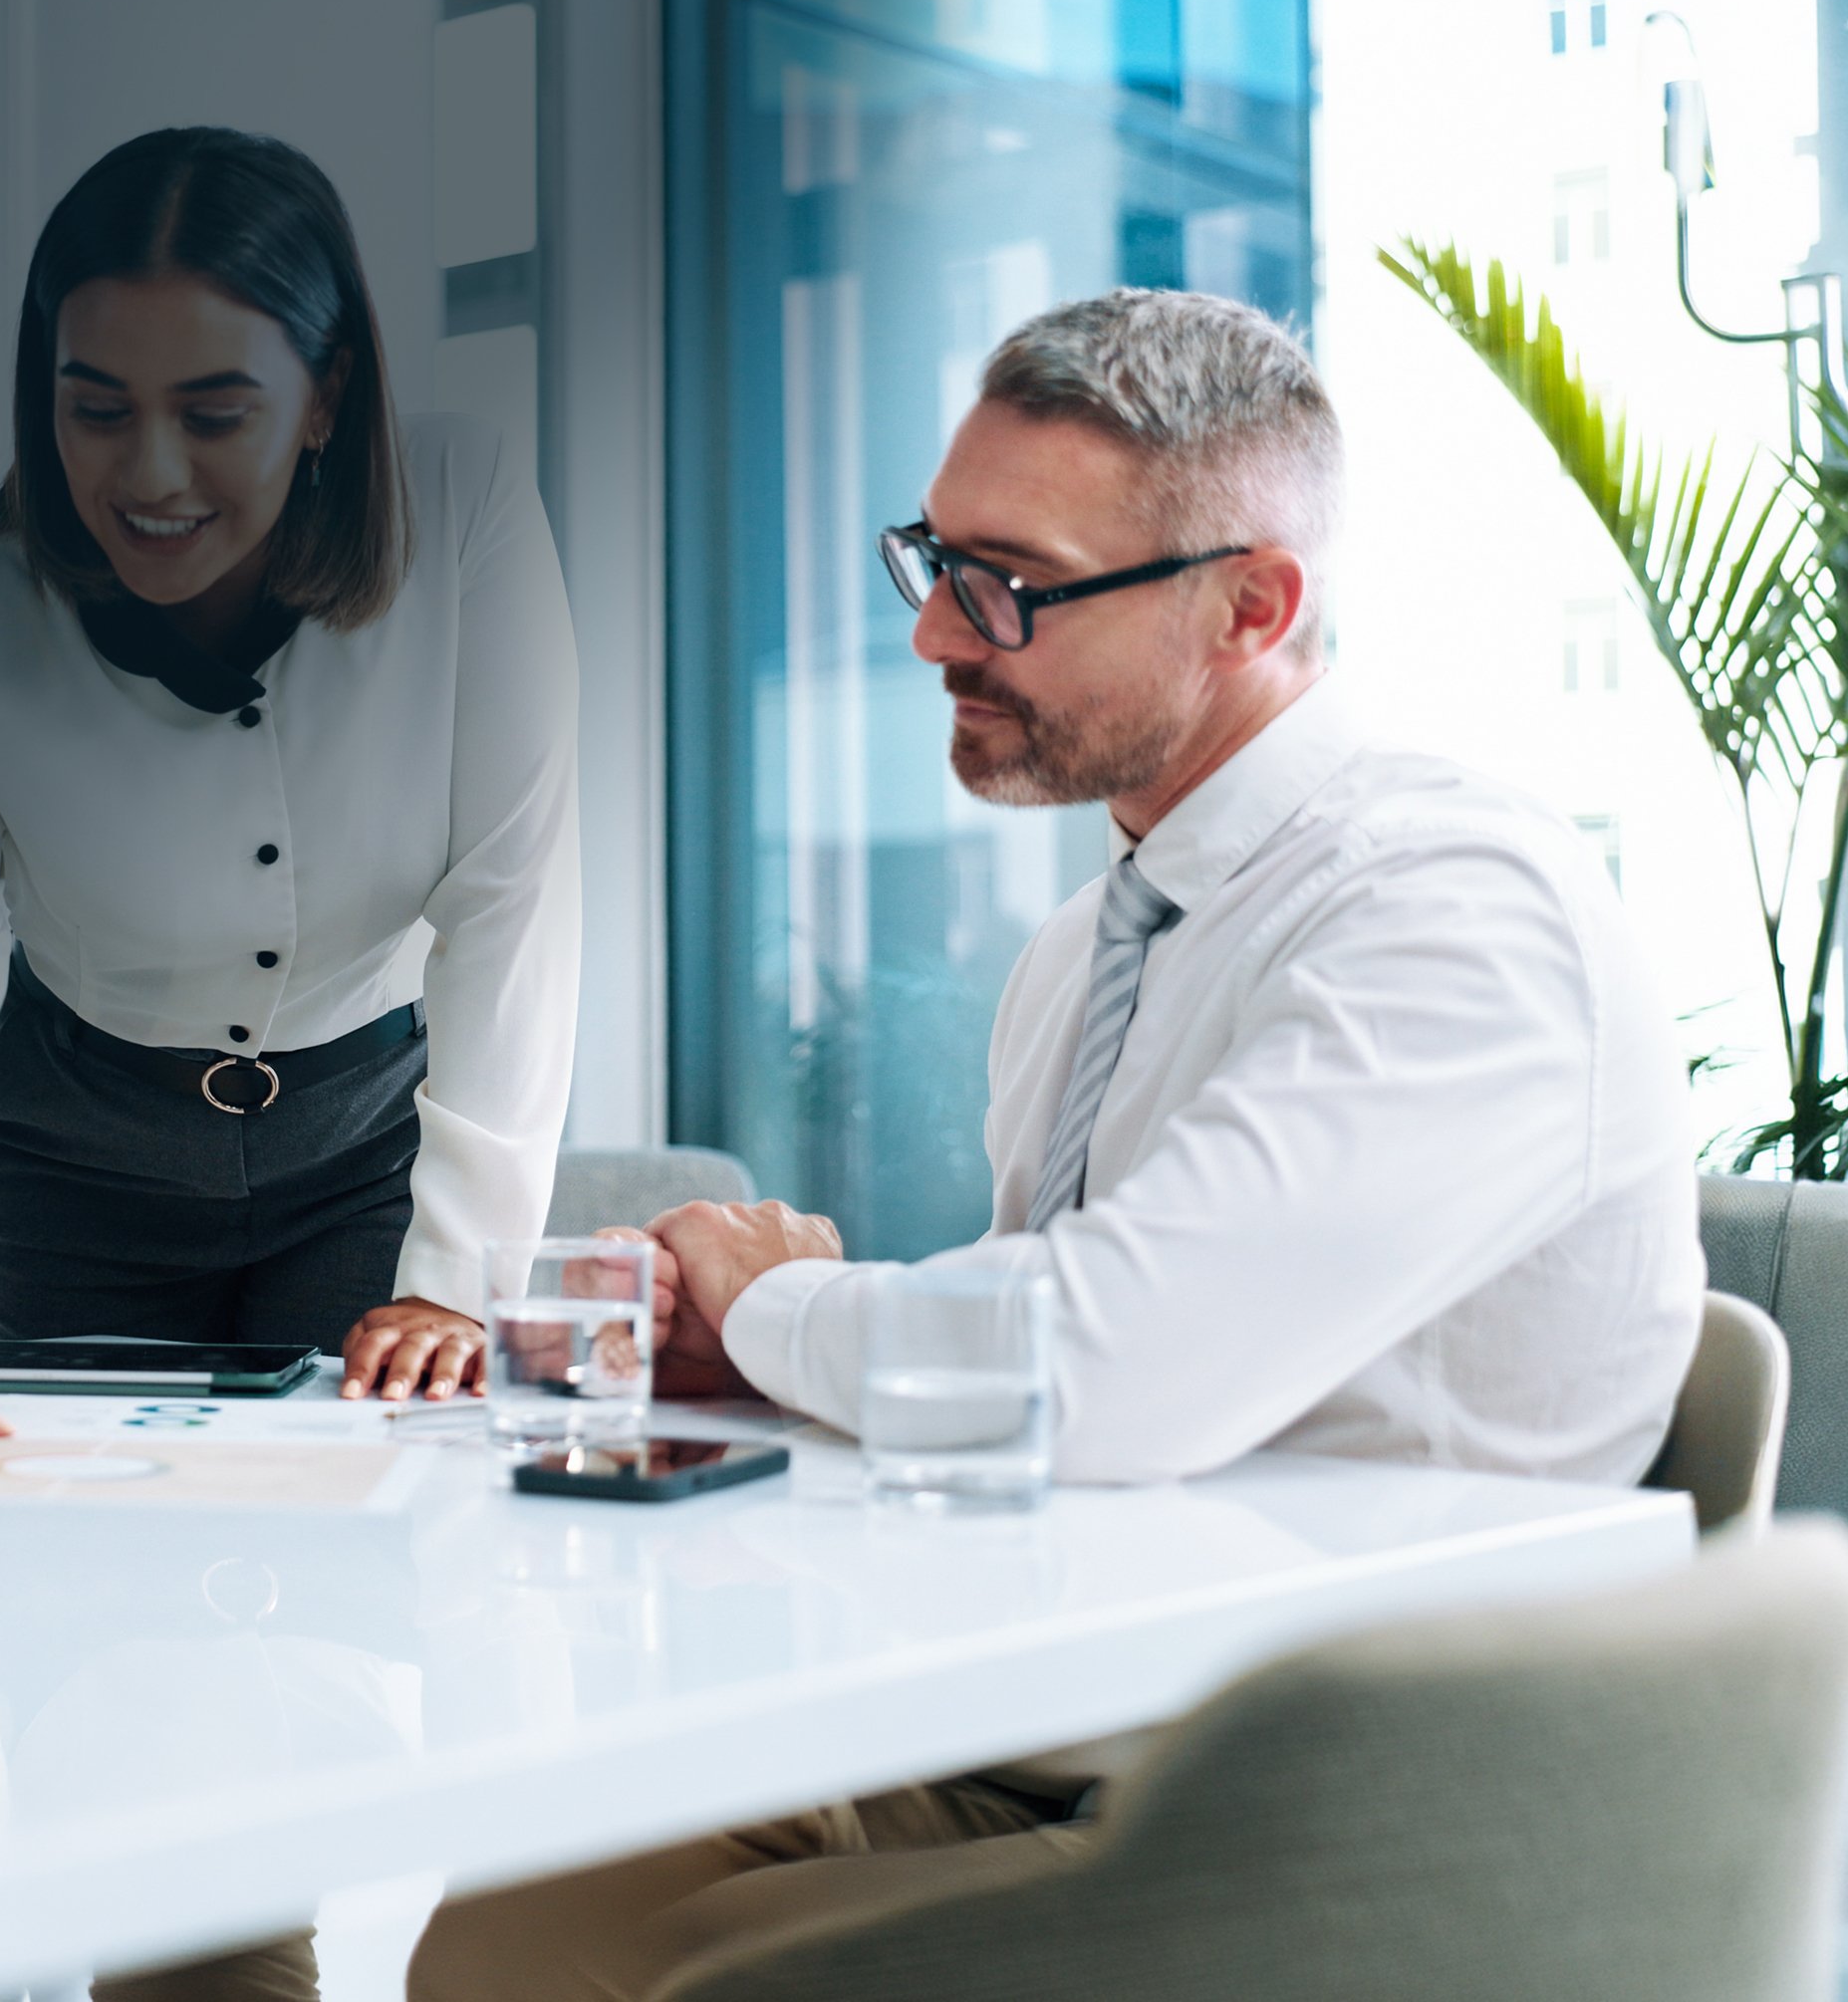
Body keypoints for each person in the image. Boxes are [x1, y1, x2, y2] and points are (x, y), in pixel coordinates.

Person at [405, 289, 1707, 2002]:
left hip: (1321, 1808)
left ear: (1251, 605)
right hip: (1056, 1719)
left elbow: (1093, 1366)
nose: (939, 637)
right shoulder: (1089, 955)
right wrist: (766, 1354)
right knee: (503, 1925)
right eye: (931, 562)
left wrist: (783, 1309)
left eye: (1006, 584)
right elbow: (1055, 1376)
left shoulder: (1451, 915)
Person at [0, 127, 580, 1469]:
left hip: (369, 1157)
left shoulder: (466, 508)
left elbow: (518, 896)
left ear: (325, 396)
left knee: (375, 1563)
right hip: (73, 1170)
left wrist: (458, 1269)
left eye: (214, 415)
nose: (149, 475)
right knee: (84, 1579)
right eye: (97, 410)